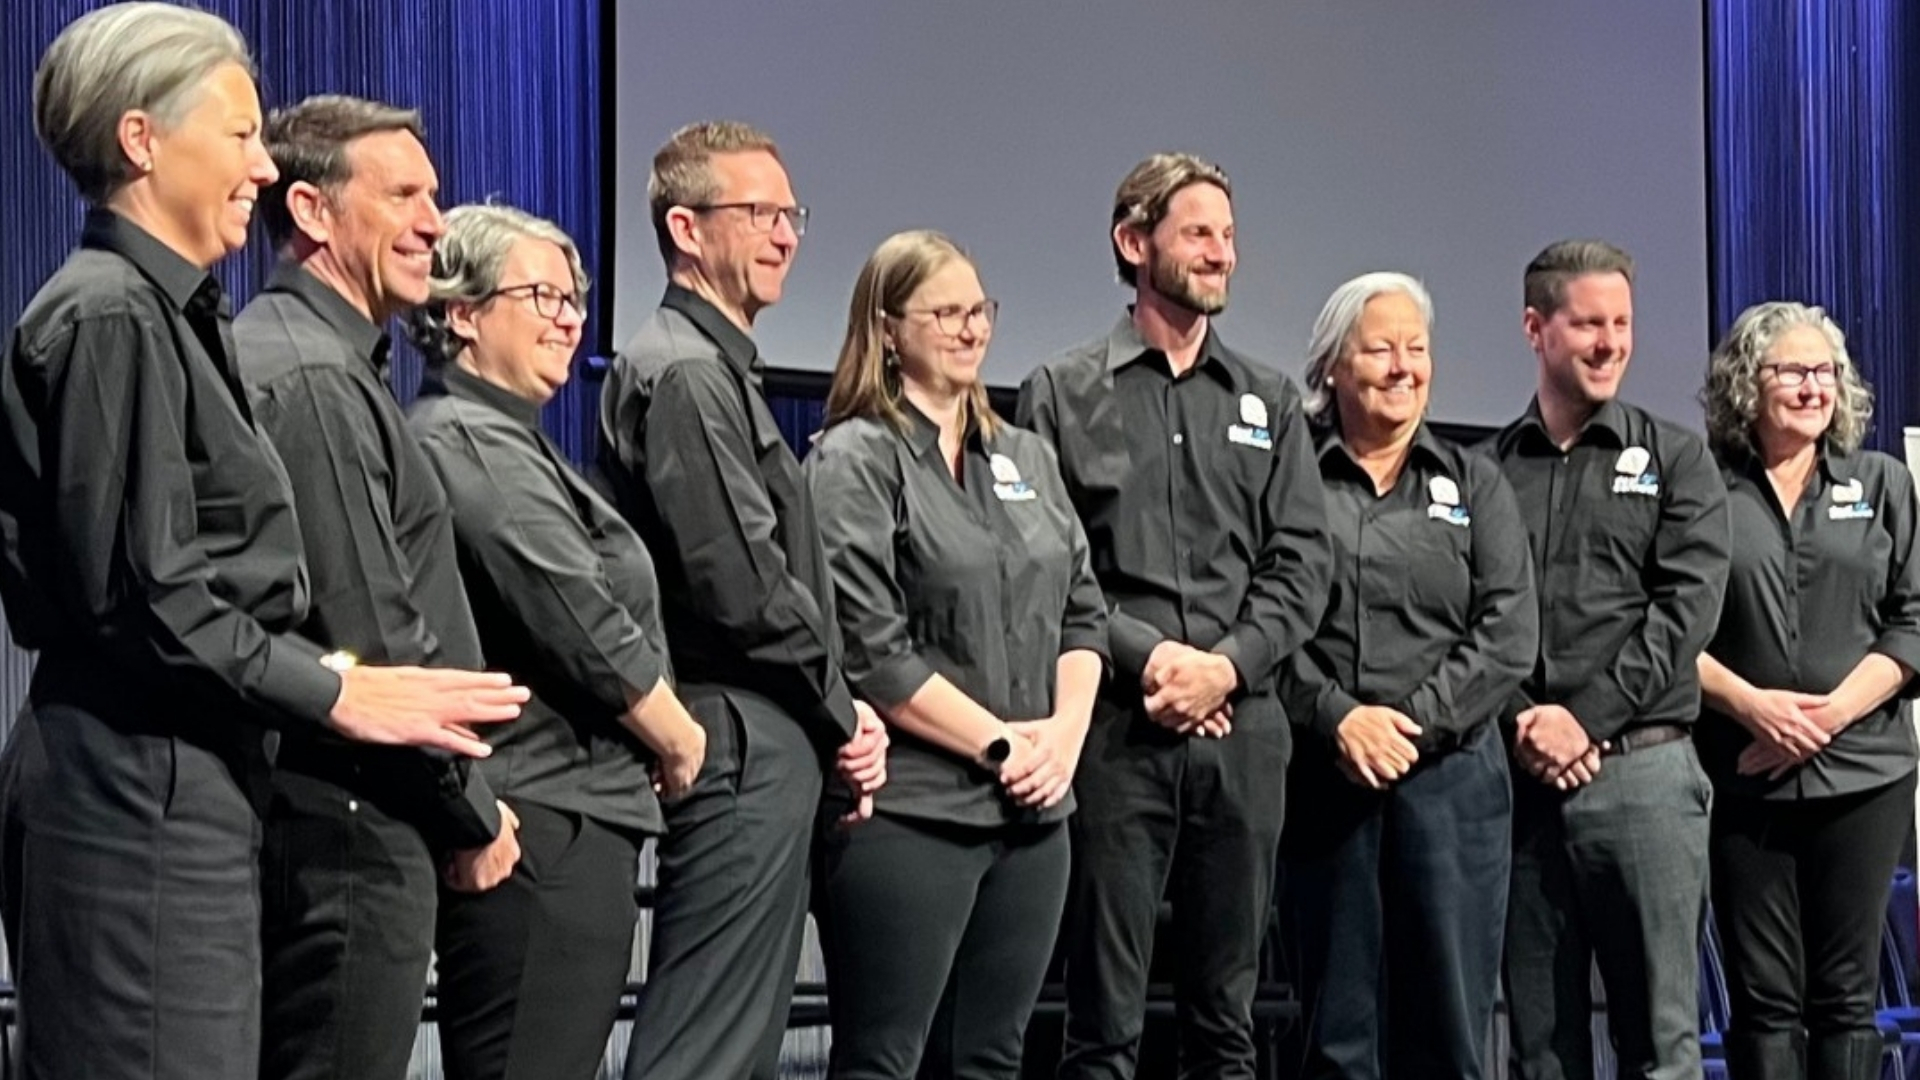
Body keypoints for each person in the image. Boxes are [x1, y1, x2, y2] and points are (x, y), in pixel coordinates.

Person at [0, 8, 523, 1080]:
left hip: (182, 782)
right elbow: (145, 594)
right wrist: (339, 691)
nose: (262, 164)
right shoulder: (114, 316)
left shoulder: (165, 317)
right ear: (142, 140)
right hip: (132, 793)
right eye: (239, 135)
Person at [1017, 152, 1332, 1080]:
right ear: (1133, 242)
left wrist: (1225, 667)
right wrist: (1154, 659)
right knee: (1102, 1024)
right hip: (1119, 729)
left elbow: (1301, 563)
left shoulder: (1271, 400)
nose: (1222, 253)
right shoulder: (1060, 391)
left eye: (1228, 236)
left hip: (1245, 733)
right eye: (1199, 233)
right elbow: (1053, 562)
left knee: (1226, 1025)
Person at [597, 120, 889, 1080]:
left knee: (738, 1044)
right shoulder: (686, 372)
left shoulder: (716, 369)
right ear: (685, 229)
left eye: (791, 214)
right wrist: (845, 711)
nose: (785, 234)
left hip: (762, 729)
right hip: (738, 733)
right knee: (707, 1048)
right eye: (759, 212)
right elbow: (742, 586)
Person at [236, 95, 516, 1080]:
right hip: (346, 822)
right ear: (311, 211)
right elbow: (373, 631)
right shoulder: (313, 376)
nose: (434, 222)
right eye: (403, 196)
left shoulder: (327, 362)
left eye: (432, 195)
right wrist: (471, 809)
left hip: (346, 812)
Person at [405, 202, 709, 1080]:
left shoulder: (516, 442)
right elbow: (573, 611)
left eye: (574, 299)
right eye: (542, 296)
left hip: (574, 816)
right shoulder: (468, 440)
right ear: (461, 313)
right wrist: (677, 736)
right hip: (541, 822)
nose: (571, 318)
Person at [806, 230, 1108, 1079]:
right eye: (946, 313)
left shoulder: (1026, 456)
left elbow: (1083, 612)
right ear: (887, 327)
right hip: (913, 815)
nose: (972, 329)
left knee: (990, 1060)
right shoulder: (854, 458)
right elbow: (871, 646)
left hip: (1035, 818)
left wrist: (1064, 739)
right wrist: (1003, 745)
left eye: (981, 310)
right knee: (885, 1061)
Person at [1280, 272, 1537, 1080]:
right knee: (1337, 1035)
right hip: (1326, 780)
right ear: (1332, 367)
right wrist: (1338, 718)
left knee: (1450, 1033)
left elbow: (1507, 632)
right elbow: (1266, 620)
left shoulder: (1476, 480)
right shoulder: (1291, 481)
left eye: (1416, 349)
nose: (1403, 367)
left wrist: (1409, 727)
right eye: (1381, 349)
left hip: (1453, 788)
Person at [1492, 239, 1731, 1080]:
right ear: (1536, 327)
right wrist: (1526, 719)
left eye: (1622, 324)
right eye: (1589, 324)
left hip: (1644, 777)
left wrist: (1582, 721)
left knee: (1661, 1045)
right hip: (1520, 784)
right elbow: (1472, 618)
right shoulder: (1487, 471)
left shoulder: (1678, 459)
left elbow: (1685, 612)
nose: (1610, 344)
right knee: (1539, 1049)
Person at [1696, 301, 1920, 1080]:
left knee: (1846, 999)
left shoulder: (1882, 482)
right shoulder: (1704, 490)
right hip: (1743, 775)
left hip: (1865, 778)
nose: (1813, 387)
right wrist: (1753, 708)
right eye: (1792, 370)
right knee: (1761, 1003)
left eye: (1825, 371)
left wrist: (1826, 718)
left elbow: (1913, 620)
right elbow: (1668, 630)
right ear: (1746, 384)